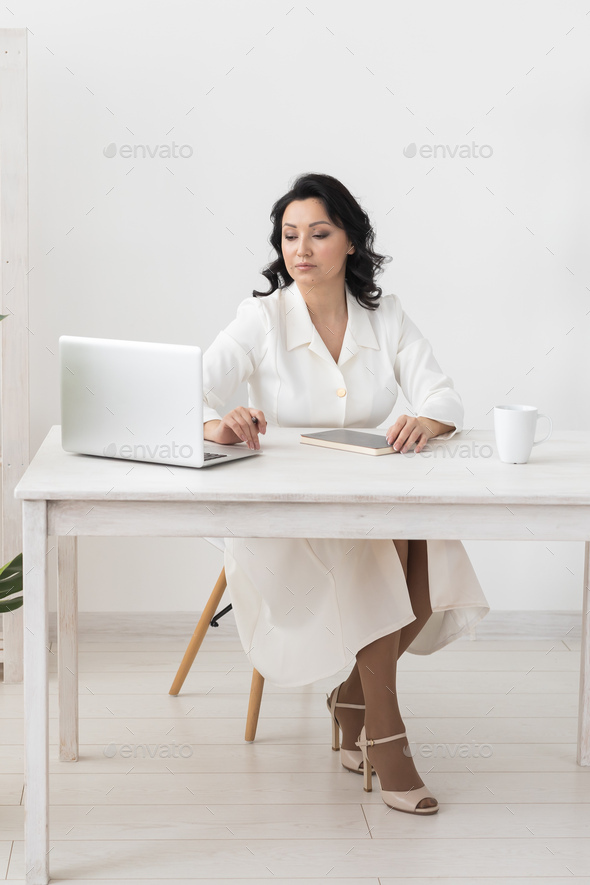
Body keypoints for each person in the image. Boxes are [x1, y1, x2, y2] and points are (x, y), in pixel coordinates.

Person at [202, 172, 490, 815]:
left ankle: (352, 696)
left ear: (352, 242)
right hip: (282, 523)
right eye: (290, 235)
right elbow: (186, 395)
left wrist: (428, 420)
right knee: (375, 547)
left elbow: (443, 394)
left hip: (370, 503)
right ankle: (387, 740)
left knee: (426, 537)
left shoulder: (384, 317)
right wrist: (217, 424)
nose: (301, 249)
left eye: (320, 234)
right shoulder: (261, 317)